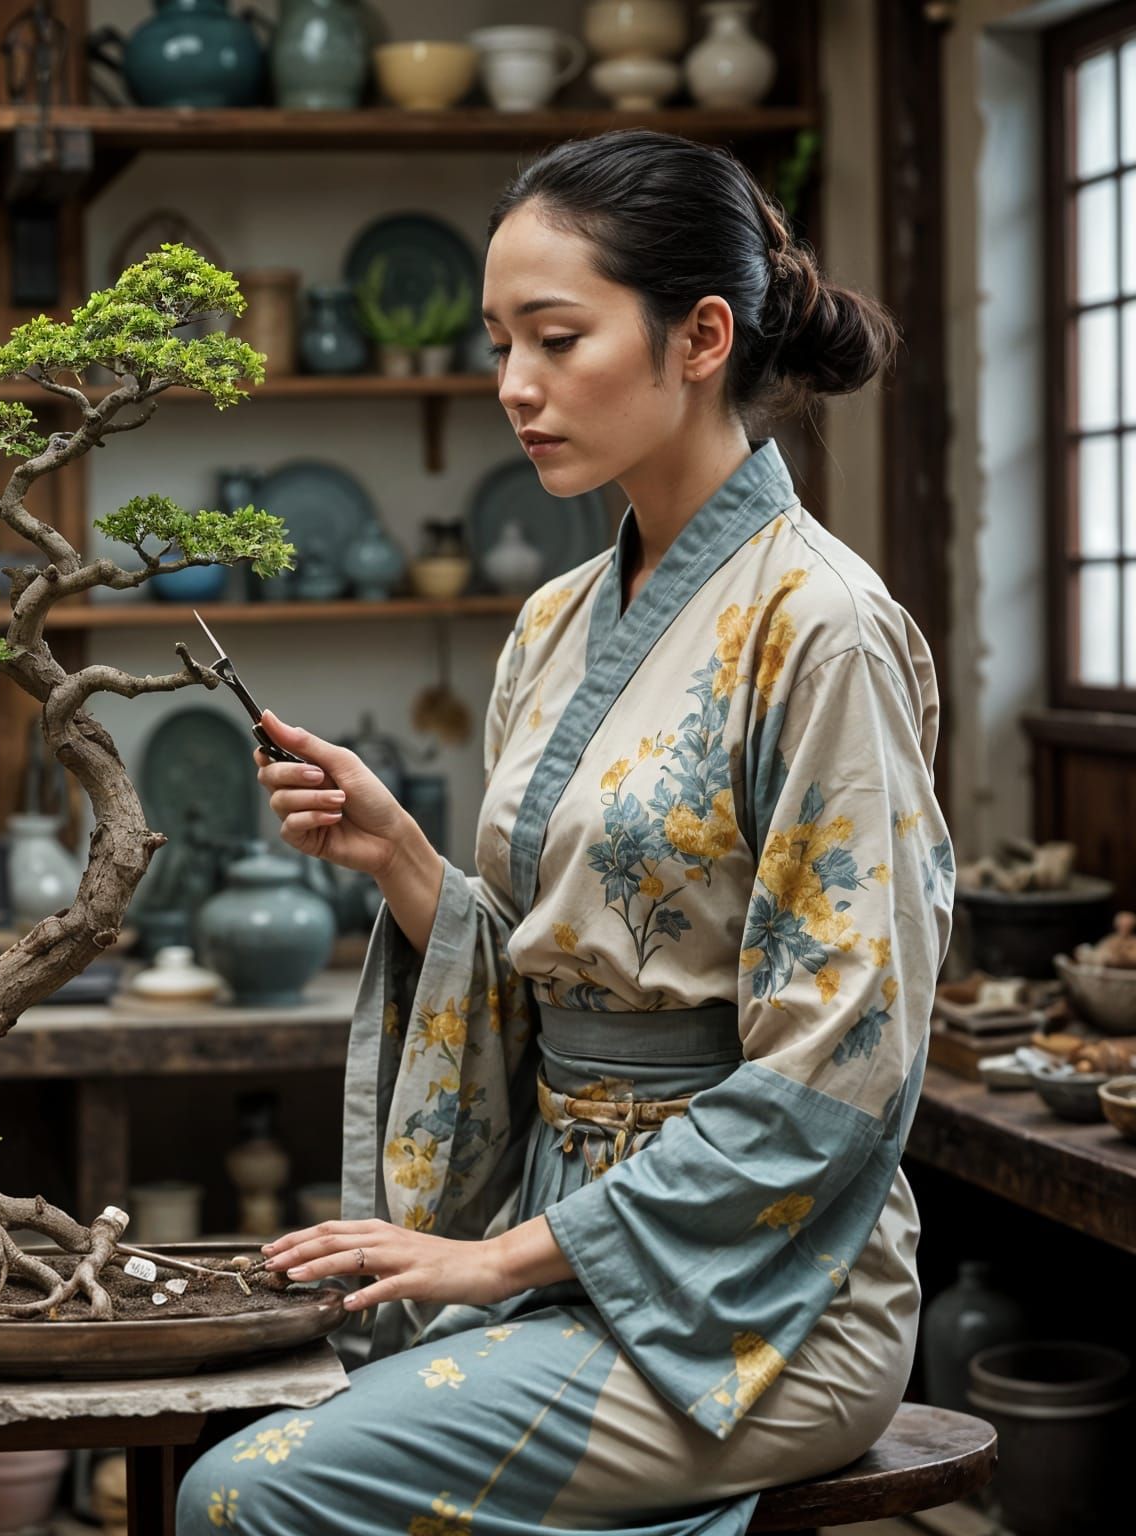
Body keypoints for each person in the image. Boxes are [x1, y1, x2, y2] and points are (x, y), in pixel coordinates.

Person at [176, 129, 953, 1536]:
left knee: (243, 1501)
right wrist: (402, 857)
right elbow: (552, 973)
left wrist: (498, 1261)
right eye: (500, 343)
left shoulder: (823, 629)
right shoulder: (549, 628)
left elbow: (848, 1057)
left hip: (766, 1296)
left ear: (700, 335)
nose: (513, 388)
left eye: (556, 337)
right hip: (565, 1237)